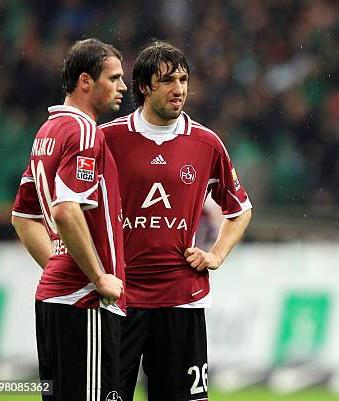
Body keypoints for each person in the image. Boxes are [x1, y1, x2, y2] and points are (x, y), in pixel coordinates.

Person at [100, 41, 252, 401]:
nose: (179, 89)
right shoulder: (108, 139)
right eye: (167, 80)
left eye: (183, 79)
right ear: (142, 87)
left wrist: (215, 255)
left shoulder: (205, 143)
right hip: (120, 297)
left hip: (181, 298)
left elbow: (240, 208)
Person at [11, 38, 128, 401]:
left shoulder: (47, 133)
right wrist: (96, 276)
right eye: (114, 77)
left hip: (54, 298)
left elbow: (23, 218)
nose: (123, 87)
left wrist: (59, 264)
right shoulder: (84, 131)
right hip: (85, 301)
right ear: (85, 81)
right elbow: (65, 209)